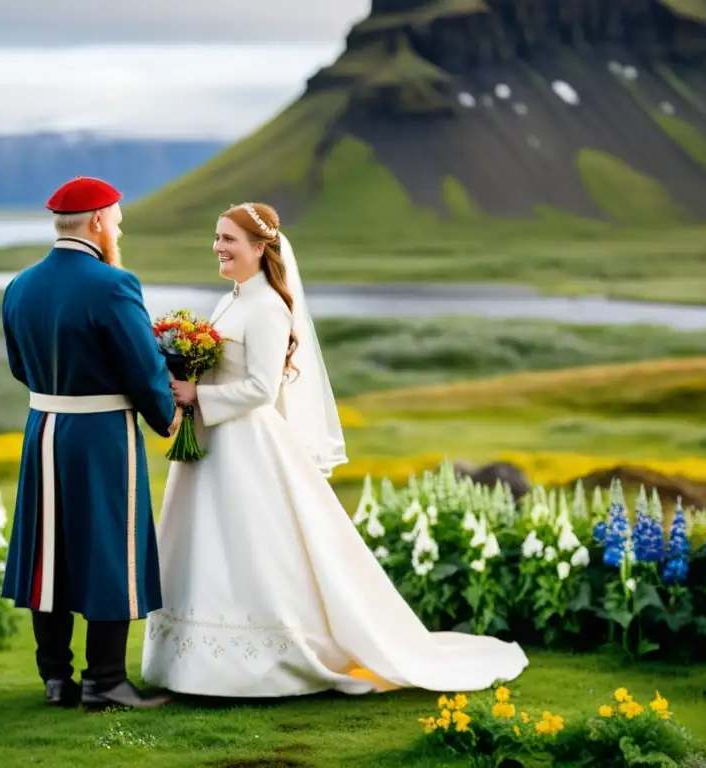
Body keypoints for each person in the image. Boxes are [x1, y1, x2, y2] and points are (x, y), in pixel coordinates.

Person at [141, 202, 529, 697]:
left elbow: (261, 388)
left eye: (229, 240)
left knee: (251, 546)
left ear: (260, 248)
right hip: (213, 445)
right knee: (205, 545)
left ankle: (262, 664)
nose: (218, 248)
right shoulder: (230, 301)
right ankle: (190, 662)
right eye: (216, 238)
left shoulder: (268, 307)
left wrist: (200, 396)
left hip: (247, 446)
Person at [1, 176, 181, 709]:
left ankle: (56, 679)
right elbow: (143, 368)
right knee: (112, 547)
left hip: (42, 429)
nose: (117, 228)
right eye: (118, 220)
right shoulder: (113, 284)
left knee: (47, 552)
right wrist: (167, 417)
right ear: (99, 222)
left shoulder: (19, 285)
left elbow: (19, 367)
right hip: (102, 433)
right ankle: (105, 681)